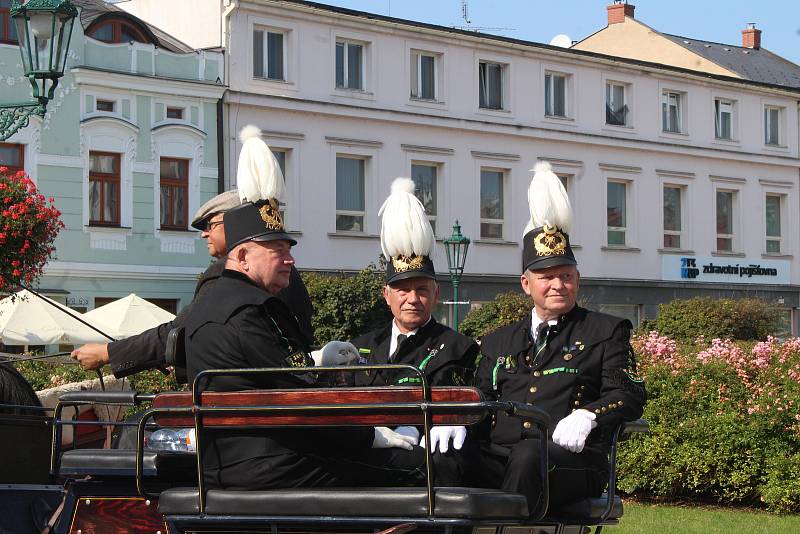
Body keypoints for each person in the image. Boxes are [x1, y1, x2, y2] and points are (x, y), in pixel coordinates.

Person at [184, 126, 424, 490]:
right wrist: (369, 435)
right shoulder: (255, 309)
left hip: (232, 460)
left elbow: (271, 376)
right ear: (244, 256)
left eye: (288, 250)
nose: (290, 260)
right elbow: (298, 395)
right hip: (271, 465)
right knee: (422, 470)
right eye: (278, 251)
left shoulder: (209, 301)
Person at [441, 162, 646, 516]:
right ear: (526, 284)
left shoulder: (606, 331)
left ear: (577, 280)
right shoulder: (497, 341)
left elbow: (629, 394)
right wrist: (455, 420)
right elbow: (482, 397)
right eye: (546, 277)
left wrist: (589, 415)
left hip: (570, 461)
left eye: (565, 276)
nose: (557, 285)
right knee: (443, 458)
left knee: (529, 455)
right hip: (501, 455)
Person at [70, 190, 314, 378]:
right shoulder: (284, 272)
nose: (203, 234)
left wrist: (107, 353)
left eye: (210, 225)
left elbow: (178, 334)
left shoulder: (226, 276)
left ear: (235, 223)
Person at [332, 178, 479, 453]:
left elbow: (460, 410)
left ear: (436, 294)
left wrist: (420, 426)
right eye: (402, 290)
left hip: (422, 459)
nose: (412, 299)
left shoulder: (458, 348)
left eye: (422, 290)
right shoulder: (360, 345)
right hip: (363, 453)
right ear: (386, 295)